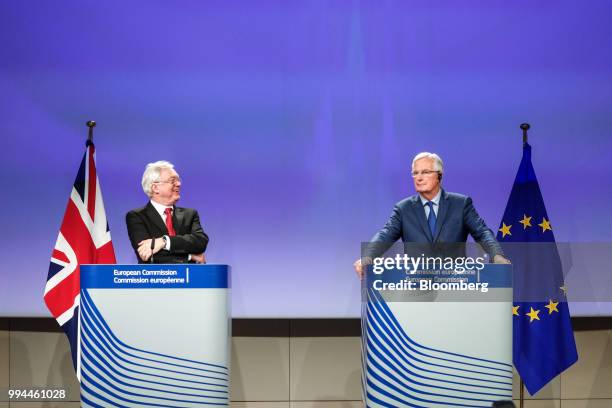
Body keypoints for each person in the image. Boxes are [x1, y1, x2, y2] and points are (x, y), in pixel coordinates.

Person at [354, 152, 509, 279]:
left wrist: (497, 256)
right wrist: (367, 257)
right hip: (417, 287)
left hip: (454, 284)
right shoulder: (403, 208)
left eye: (425, 172)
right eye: (415, 173)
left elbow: (482, 233)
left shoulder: (461, 204)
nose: (419, 178)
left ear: (439, 176)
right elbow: (384, 235)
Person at [126, 160, 208, 264]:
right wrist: (190, 256)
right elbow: (146, 254)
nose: (178, 184)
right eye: (172, 181)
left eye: (178, 180)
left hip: (189, 278)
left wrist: (164, 241)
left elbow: (200, 242)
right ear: (155, 187)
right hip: (157, 278)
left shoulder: (190, 214)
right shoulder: (137, 216)